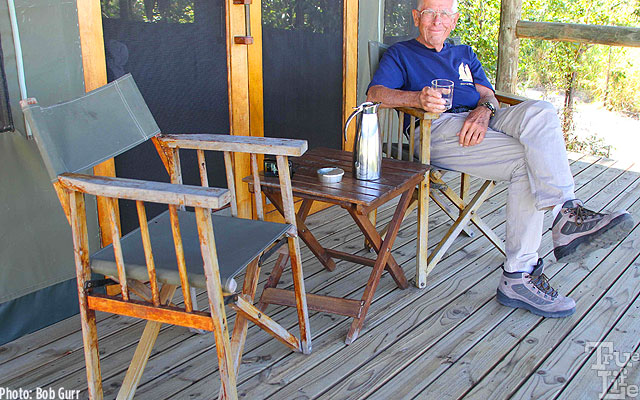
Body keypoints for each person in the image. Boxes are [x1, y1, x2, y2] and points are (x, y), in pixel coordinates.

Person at [367, 0, 634, 318]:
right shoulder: (402, 53)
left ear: (453, 21)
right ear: (416, 18)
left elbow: (488, 94)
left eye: (444, 14)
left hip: (484, 121)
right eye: (428, 13)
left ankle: (567, 213)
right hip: (437, 129)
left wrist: (484, 110)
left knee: (542, 111)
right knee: (528, 164)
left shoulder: (464, 53)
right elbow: (376, 95)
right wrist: (416, 98)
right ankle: (520, 274)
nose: (436, 20)